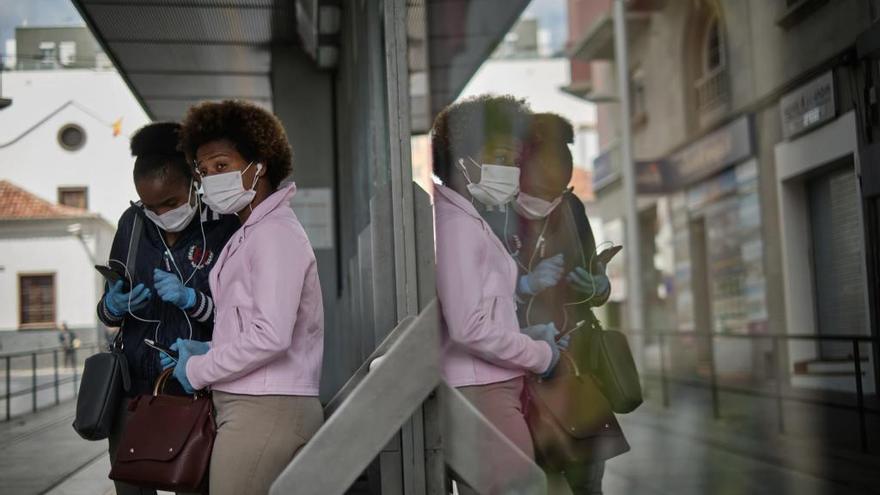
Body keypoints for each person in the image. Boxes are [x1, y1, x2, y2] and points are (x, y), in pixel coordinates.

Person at [163, 100, 324, 495]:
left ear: (260, 164)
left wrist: (198, 370)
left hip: (266, 409)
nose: (209, 178)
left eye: (221, 165)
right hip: (254, 403)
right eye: (203, 171)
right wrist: (207, 347)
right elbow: (253, 323)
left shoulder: (274, 235)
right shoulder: (253, 231)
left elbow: (271, 335)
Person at [431, 95, 569, 494]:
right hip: (482, 394)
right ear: (461, 156)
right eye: (498, 157)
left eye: (512, 160)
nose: (508, 170)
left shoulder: (463, 218)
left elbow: (485, 311)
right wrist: (540, 355)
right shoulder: (456, 227)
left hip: (487, 389)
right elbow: (469, 327)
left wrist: (529, 336)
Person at [96, 122, 239, 495]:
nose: (161, 213)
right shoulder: (132, 225)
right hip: (136, 393)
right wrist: (114, 305)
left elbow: (242, 319)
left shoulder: (224, 225)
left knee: (197, 485)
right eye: (150, 205)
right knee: (132, 487)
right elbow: (108, 313)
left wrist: (194, 301)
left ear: (194, 179)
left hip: (199, 391)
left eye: (171, 203)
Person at [487, 112, 622, 495]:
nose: (560, 169)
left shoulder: (572, 209)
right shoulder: (497, 212)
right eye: (549, 157)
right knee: (537, 481)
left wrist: (599, 284)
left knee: (587, 482)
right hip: (521, 371)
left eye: (564, 158)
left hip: (576, 369)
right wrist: (526, 285)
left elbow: (594, 285)